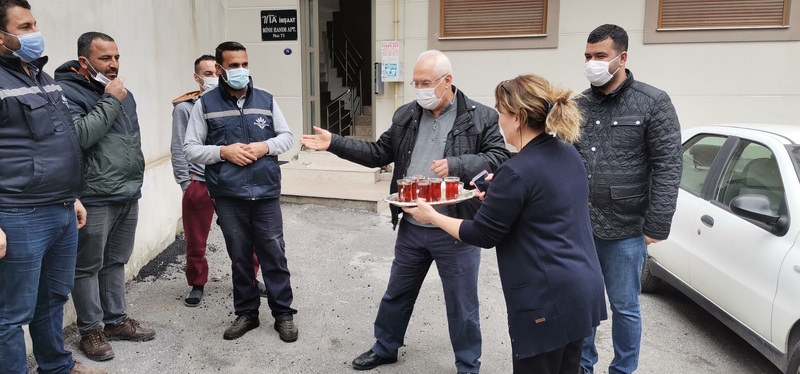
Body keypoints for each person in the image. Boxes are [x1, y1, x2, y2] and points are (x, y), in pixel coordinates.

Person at [301, 50, 510, 373]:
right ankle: (385, 347)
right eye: (416, 83)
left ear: (447, 81)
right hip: (413, 223)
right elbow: (378, 153)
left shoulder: (480, 116)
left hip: (454, 227)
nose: (420, 89)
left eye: (426, 83)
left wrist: (457, 164)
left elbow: (499, 157)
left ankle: (468, 365)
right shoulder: (407, 115)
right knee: (397, 293)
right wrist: (334, 143)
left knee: (462, 304)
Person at [403, 74, 607, 374]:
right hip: (582, 290)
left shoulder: (516, 172)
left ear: (518, 118)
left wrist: (432, 215)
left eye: (501, 111)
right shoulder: (567, 152)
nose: (498, 119)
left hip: (546, 300)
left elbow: (482, 234)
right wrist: (499, 194)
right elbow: (543, 204)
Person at [0, 1, 107, 373]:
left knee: (53, 299)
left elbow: (57, 143)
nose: (35, 33)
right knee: (12, 313)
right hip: (18, 215)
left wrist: (72, 196)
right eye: (25, 27)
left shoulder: (42, 78)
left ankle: (56, 365)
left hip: (60, 209)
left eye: (34, 24)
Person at [576, 24, 682, 374]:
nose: (592, 63)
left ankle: (622, 370)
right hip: (580, 226)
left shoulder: (654, 102)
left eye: (600, 56)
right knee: (583, 303)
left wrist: (657, 224)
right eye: (588, 56)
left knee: (624, 306)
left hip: (625, 227)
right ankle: (582, 366)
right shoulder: (578, 104)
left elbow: (669, 165)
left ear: (621, 58)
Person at [183, 41, 298, 342]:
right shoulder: (205, 105)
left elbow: (286, 137)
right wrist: (223, 152)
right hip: (229, 194)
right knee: (240, 257)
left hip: (265, 191)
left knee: (274, 254)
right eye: (233, 66)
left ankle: (283, 314)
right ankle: (247, 313)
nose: (241, 70)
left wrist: (265, 146)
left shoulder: (266, 98)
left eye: (244, 64)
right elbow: (190, 149)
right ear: (219, 69)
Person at [55, 31, 155, 362]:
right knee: (87, 266)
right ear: (84, 61)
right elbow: (80, 137)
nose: (113, 64)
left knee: (115, 261)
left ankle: (115, 321)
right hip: (94, 195)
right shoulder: (65, 92)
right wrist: (111, 100)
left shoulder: (123, 93)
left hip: (127, 191)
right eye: (105, 58)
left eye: (116, 57)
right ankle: (91, 330)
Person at [170, 54, 266, 307]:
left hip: (231, 182)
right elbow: (179, 147)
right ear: (197, 77)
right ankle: (197, 283)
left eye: (216, 72)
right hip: (199, 182)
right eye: (207, 74)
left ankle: (250, 279)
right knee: (195, 239)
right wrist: (186, 183)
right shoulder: (185, 108)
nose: (213, 77)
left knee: (243, 236)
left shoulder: (235, 103)